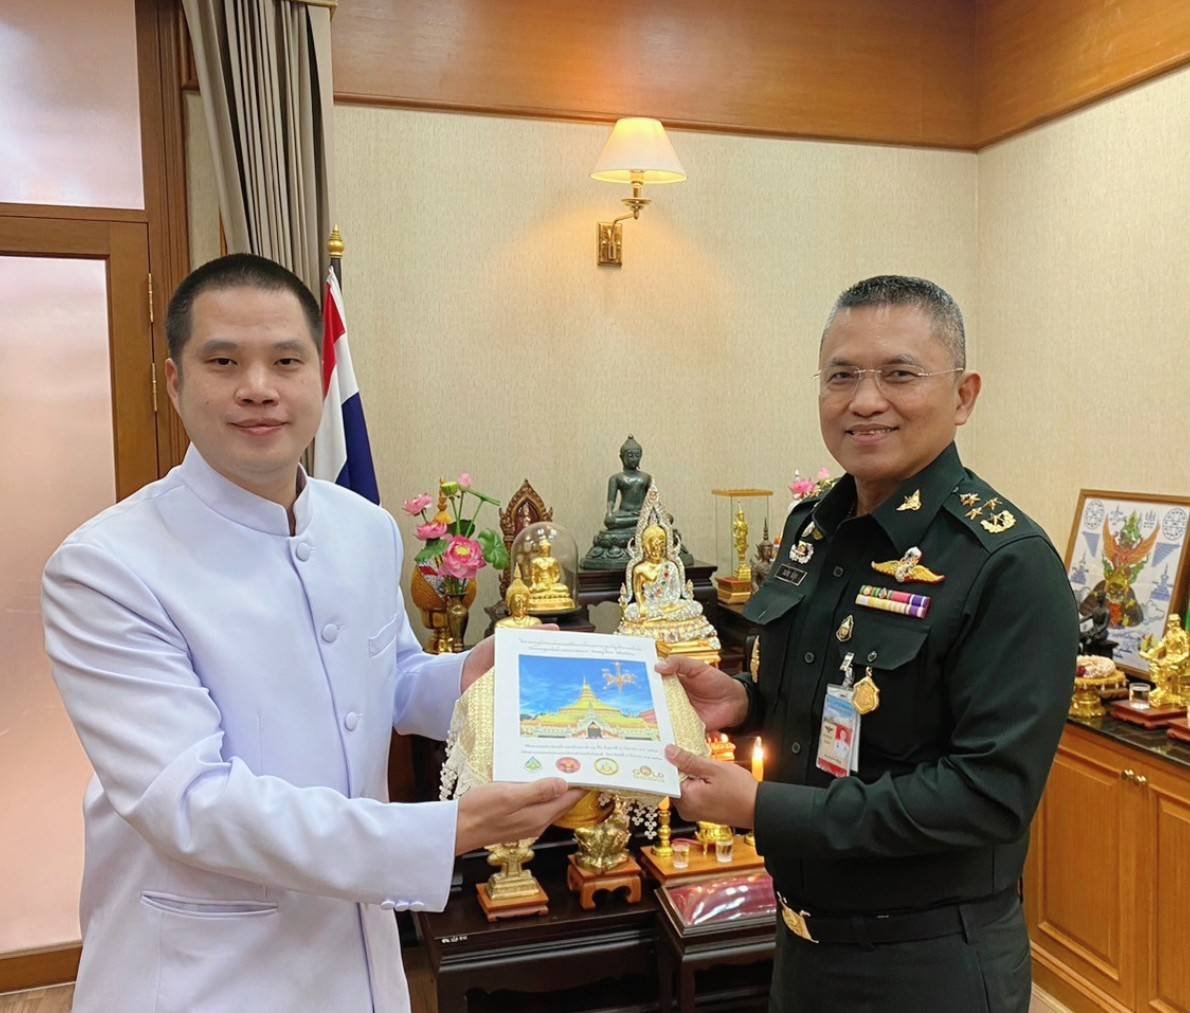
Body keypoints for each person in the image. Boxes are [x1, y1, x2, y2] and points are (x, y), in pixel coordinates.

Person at [41, 254, 581, 1013]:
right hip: (207, 972)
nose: (258, 386)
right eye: (223, 361)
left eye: (286, 360)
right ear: (173, 381)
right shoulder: (105, 567)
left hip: (356, 957)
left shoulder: (361, 528)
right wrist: (439, 831)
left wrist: (480, 671)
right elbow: (194, 803)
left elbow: (388, 679)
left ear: (321, 378)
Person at [661, 275, 1078, 1013]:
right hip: (803, 944)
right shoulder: (813, 527)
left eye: (899, 374)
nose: (864, 400)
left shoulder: (1006, 563)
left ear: (964, 395)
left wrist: (766, 808)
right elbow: (838, 708)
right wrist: (748, 704)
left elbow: (987, 795)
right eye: (841, 376)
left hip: (925, 964)